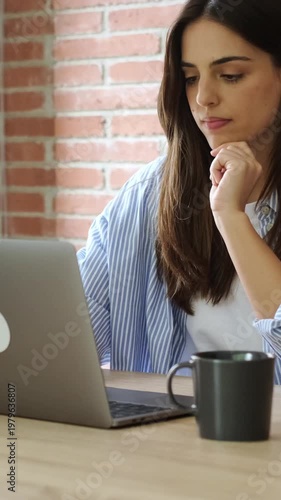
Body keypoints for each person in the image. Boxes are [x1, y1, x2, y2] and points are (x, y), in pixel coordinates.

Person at [77, 0, 281, 383]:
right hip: (168, 438)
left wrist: (231, 218)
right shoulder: (147, 195)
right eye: (190, 78)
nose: (203, 97)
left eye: (231, 74)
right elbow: (70, 341)